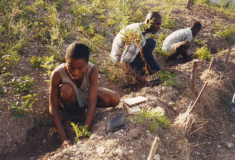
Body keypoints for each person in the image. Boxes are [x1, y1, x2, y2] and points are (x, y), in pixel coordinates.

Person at [49, 42, 120, 149]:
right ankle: (72, 115)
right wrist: (64, 139)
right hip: (71, 97)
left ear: (87, 64)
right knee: (66, 90)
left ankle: (82, 114)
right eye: (71, 68)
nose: (75, 72)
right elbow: (52, 107)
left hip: (86, 94)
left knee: (115, 99)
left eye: (80, 68)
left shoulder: (92, 70)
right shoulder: (58, 74)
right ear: (66, 62)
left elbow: (92, 102)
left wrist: (84, 132)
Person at [110, 11, 162, 86]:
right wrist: (138, 78)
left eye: (159, 25)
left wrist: (150, 69)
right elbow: (124, 61)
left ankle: (154, 70)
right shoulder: (138, 35)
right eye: (157, 24)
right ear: (148, 21)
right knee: (151, 43)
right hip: (118, 61)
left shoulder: (140, 27)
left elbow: (141, 51)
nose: (159, 27)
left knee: (150, 43)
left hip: (122, 56)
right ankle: (135, 76)